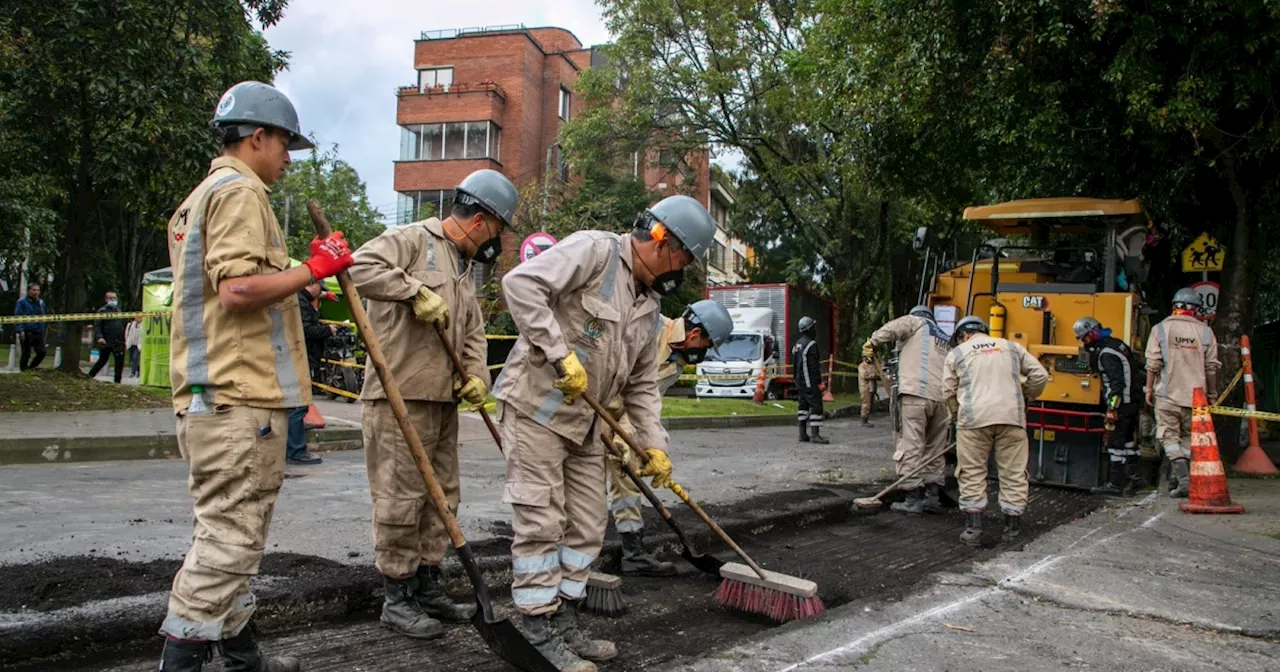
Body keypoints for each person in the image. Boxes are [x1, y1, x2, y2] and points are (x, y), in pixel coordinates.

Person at [155, 81, 353, 672]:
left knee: (230, 533)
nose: (289, 157)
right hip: (238, 397)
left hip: (211, 392)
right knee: (231, 540)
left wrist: (304, 274)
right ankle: (182, 664)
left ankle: (242, 656)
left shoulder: (198, 199)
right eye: (285, 143)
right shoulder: (242, 193)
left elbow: (241, 286)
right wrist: (316, 267)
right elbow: (238, 289)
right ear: (257, 136)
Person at [493, 194, 714, 672]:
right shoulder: (593, 253)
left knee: (590, 525)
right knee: (540, 519)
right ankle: (536, 625)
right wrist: (558, 352)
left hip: (586, 426)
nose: (683, 270)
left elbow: (641, 385)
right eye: (684, 258)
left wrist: (655, 445)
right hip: (536, 411)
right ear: (661, 240)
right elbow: (521, 284)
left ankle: (565, 618)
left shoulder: (650, 306)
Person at [348, 169, 516, 641]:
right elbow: (357, 269)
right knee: (400, 498)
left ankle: (426, 583)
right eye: (499, 229)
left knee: (443, 497)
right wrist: (411, 289)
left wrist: (478, 377)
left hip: (442, 402)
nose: (497, 241)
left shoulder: (462, 268)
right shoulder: (409, 239)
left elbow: (474, 331)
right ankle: (397, 596)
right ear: (482, 220)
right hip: (398, 397)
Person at [602, 299, 732, 577]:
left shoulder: (676, 365)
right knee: (582, 483)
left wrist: (638, 442)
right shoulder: (648, 327)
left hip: (618, 417)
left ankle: (633, 553)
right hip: (593, 406)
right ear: (695, 336)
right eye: (707, 347)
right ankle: (568, 558)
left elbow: (644, 403)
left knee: (627, 476)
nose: (705, 355)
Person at [943, 316, 1049, 546]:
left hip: (974, 421)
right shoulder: (1011, 347)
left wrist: (956, 416)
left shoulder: (958, 353)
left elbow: (948, 391)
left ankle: (973, 530)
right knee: (1013, 472)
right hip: (1011, 418)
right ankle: (1012, 530)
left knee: (971, 472)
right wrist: (1026, 396)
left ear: (963, 335)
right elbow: (1040, 375)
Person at [864, 305, 952, 514]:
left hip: (916, 395)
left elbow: (893, 328)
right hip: (941, 400)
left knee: (910, 443)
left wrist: (872, 341)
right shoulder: (943, 338)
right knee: (935, 449)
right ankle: (932, 496)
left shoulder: (916, 322)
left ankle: (912, 497)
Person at [1145, 287, 1220, 499]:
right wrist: (1211, 394)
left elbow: (1153, 364)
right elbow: (1211, 368)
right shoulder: (1206, 332)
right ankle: (1178, 480)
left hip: (1167, 395)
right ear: (1196, 309)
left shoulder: (1160, 329)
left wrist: (1149, 389)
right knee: (1188, 438)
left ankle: (1183, 480)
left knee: (1168, 437)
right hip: (1196, 398)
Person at [1073, 316, 1145, 495]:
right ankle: (1134, 478)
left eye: (1085, 338)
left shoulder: (1105, 354)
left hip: (1123, 403)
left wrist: (1112, 409)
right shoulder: (1116, 344)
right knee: (1128, 442)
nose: (1085, 342)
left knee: (1115, 442)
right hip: (1133, 400)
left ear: (1093, 333)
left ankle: (1115, 483)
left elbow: (1116, 384)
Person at [286, 281, 333, 466]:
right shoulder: (301, 303)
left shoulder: (299, 298)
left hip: (299, 356)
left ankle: (292, 448)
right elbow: (305, 330)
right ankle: (296, 450)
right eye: (321, 288)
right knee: (298, 404)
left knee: (297, 404)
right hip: (300, 357)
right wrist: (327, 330)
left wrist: (324, 296)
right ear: (313, 285)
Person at [794, 316, 830, 444]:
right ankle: (815, 435)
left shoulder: (797, 344)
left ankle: (802, 434)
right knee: (816, 406)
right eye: (813, 327)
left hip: (799, 382)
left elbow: (795, 365)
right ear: (809, 329)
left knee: (803, 407)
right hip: (810, 382)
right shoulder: (811, 344)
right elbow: (814, 366)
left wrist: (797, 381)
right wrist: (819, 382)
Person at [14, 283, 47, 371]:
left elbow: (43, 316)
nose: (36, 292)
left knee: (42, 352)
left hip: (38, 331)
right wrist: (20, 330)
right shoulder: (22, 302)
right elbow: (18, 316)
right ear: (29, 291)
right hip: (27, 331)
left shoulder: (41, 302)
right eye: (33, 290)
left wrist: (43, 329)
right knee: (26, 353)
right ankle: (23, 370)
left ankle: (32, 367)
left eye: (37, 290)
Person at [858, 354, 881, 428]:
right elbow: (865, 375)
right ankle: (863, 421)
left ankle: (866, 419)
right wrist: (874, 375)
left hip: (872, 388)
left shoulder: (872, 365)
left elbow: (878, 374)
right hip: (865, 388)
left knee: (870, 404)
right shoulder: (862, 366)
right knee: (866, 404)